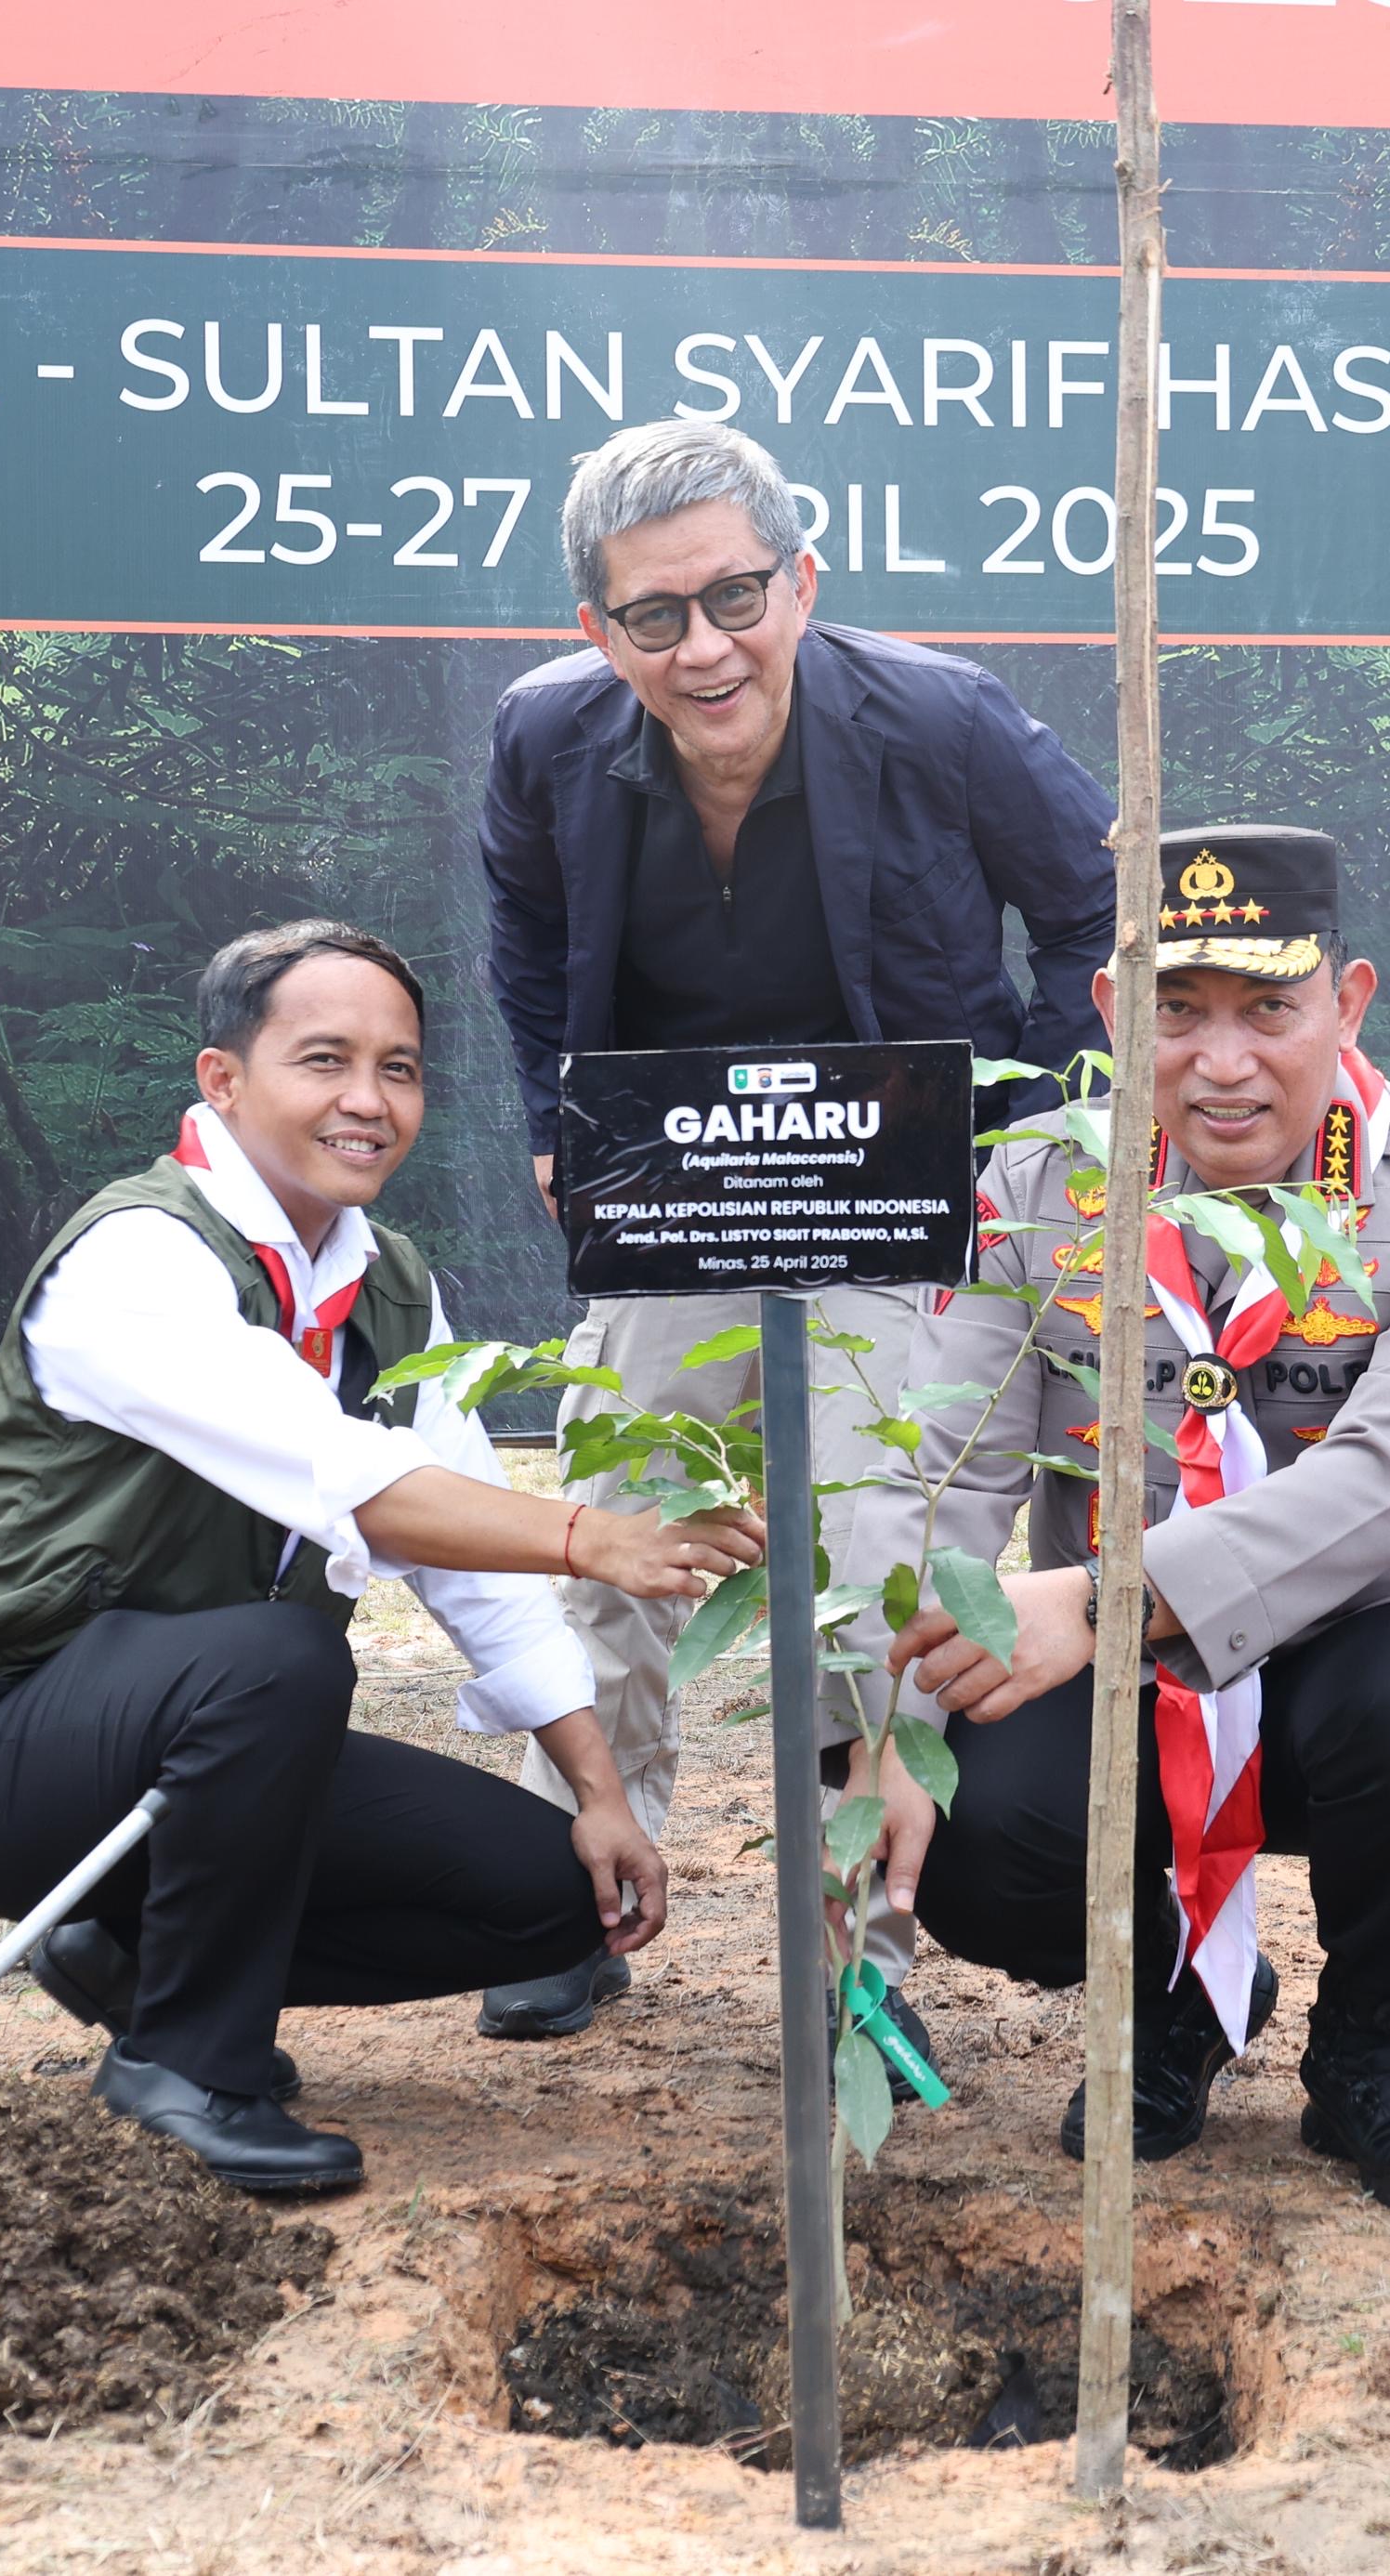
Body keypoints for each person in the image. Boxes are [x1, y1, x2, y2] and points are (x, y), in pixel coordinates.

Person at [0, 922, 762, 2194]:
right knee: (279, 1655)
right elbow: (346, 1480)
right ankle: (186, 2064)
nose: (368, 1099)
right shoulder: (139, 1256)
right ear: (222, 1080)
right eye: (325, 1059)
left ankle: (125, 1957)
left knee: (549, 1896)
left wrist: (599, 1788)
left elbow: (475, 1571)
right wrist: (593, 1534)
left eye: (399, 1067)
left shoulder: (389, 1285)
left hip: (211, 1738)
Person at [475, 418, 1117, 2039]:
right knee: (624, 1500)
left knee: (881, 1525)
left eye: (737, 596)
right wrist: (561, 1123)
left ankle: (869, 1942)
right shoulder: (543, 740)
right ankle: (592, 1882)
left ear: (802, 580)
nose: (704, 647)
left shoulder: (941, 716)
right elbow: (528, 937)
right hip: (676, 1181)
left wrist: (1030, 1122)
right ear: (596, 631)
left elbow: (1102, 910)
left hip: (906, 1185)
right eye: (654, 617)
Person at [837, 825, 1390, 2213]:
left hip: (1374, 1634)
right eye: (1178, 1011)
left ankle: (1370, 2047)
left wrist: (1106, 1596)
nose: (1221, 1061)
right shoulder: (1035, 1189)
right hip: (1119, 1676)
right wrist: (879, 1730)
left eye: (1269, 1011)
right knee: (966, 1812)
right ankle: (1183, 1989)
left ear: (1347, 1003)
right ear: (1114, 1013)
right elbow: (944, 1466)